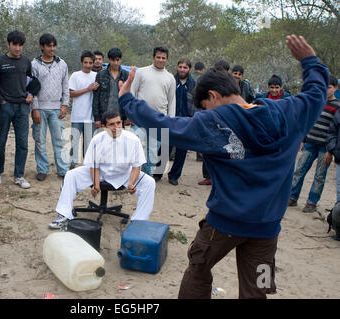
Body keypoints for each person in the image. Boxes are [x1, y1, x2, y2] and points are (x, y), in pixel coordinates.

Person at [118, 35, 329, 299]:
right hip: (268, 229)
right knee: (259, 287)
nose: (203, 112)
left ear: (214, 95)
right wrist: (310, 61)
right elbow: (317, 92)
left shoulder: (212, 122)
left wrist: (127, 101)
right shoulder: (291, 112)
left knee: (198, 267)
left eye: (204, 106)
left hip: (224, 224)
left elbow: (164, 126)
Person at [49, 110, 156, 229]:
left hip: (124, 173)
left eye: (118, 123)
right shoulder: (97, 139)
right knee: (70, 175)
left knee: (149, 183)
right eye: (112, 124)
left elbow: (136, 165)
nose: (116, 127)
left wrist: (131, 183)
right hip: (100, 172)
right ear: (104, 127)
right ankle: (63, 215)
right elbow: (94, 165)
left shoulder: (133, 139)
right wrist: (96, 185)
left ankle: (138, 222)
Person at [0, 30, 36, 189]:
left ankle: (19, 175)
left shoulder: (26, 61)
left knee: (22, 142)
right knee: (0, 140)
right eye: (14, 45)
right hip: (5, 106)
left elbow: (33, 81)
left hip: (23, 106)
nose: (17, 48)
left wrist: (31, 94)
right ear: (8, 44)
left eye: (20, 45)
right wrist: (1, 101)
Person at [288, 75, 340, 212]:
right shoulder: (317, 102)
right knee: (299, 169)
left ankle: (312, 202)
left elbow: (335, 130)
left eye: (329, 87)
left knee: (320, 175)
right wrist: (303, 139)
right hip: (310, 141)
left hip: (325, 146)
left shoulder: (337, 106)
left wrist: (331, 149)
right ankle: (292, 197)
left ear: (335, 88)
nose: (326, 90)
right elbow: (308, 121)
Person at [130, 46, 176, 179]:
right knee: (137, 147)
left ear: (167, 60)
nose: (161, 60)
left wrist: (170, 121)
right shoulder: (141, 72)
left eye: (163, 58)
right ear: (153, 57)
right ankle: (134, 176)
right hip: (140, 118)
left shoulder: (170, 78)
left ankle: (147, 178)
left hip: (158, 119)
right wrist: (131, 114)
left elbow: (172, 101)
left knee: (153, 151)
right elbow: (132, 93)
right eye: (158, 57)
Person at [31, 33, 69, 181]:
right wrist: (34, 108)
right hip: (40, 108)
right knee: (39, 140)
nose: (52, 49)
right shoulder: (34, 65)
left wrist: (65, 105)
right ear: (42, 47)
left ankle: (63, 169)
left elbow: (65, 86)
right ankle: (42, 169)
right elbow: (32, 88)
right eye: (49, 46)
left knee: (59, 140)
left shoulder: (62, 64)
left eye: (54, 46)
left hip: (56, 108)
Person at [167, 58, 196, 186]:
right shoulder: (171, 81)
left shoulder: (194, 84)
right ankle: (158, 173)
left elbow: (197, 104)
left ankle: (174, 175)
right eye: (180, 67)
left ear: (189, 69)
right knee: (165, 147)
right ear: (177, 67)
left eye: (185, 67)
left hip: (186, 121)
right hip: (170, 119)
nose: (182, 69)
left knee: (181, 151)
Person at [68, 50, 99, 170]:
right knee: (74, 140)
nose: (88, 65)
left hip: (90, 116)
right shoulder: (75, 75)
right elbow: (71, 93)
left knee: (88, 143)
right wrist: (87, 89)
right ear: (81, 62)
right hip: (77, 115)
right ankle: (73, 164)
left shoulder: (96, 76)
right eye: (86, 62)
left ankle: (87, 165)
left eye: (90, 63)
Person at [92, 48, 129, 129]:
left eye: (117, 60)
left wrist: (128, 116)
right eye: (113, 60)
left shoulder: (126, 75)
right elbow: (96, 97)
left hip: (120, 115)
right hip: (104, 115)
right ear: (109, 60)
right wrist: (97, 118)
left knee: (119, 139)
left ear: (121, 60)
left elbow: (129, 97)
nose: (115, 63)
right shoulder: (101, 75)